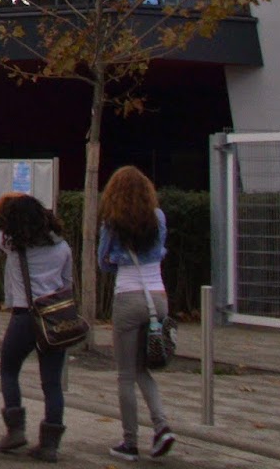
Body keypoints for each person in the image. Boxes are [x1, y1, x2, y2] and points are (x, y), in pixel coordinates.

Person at [0, 193, 75, 462]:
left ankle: (15, 429)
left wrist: (4, 198)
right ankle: (50, 443)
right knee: (52, 382)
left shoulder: (12, 245)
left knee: (9, 369)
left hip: (24, 315)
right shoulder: (62, 247)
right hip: (54, 318)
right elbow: (67, 284)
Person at [98, 167, 176, 461]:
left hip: (128, 297)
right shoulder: (158, 218)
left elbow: (103, 262)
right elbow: (159, 252)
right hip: (158, 296)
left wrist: (118, 259)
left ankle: (130, 442)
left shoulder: (112, 222)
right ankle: (161, 426)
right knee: (143, 369)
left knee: (125, 374)